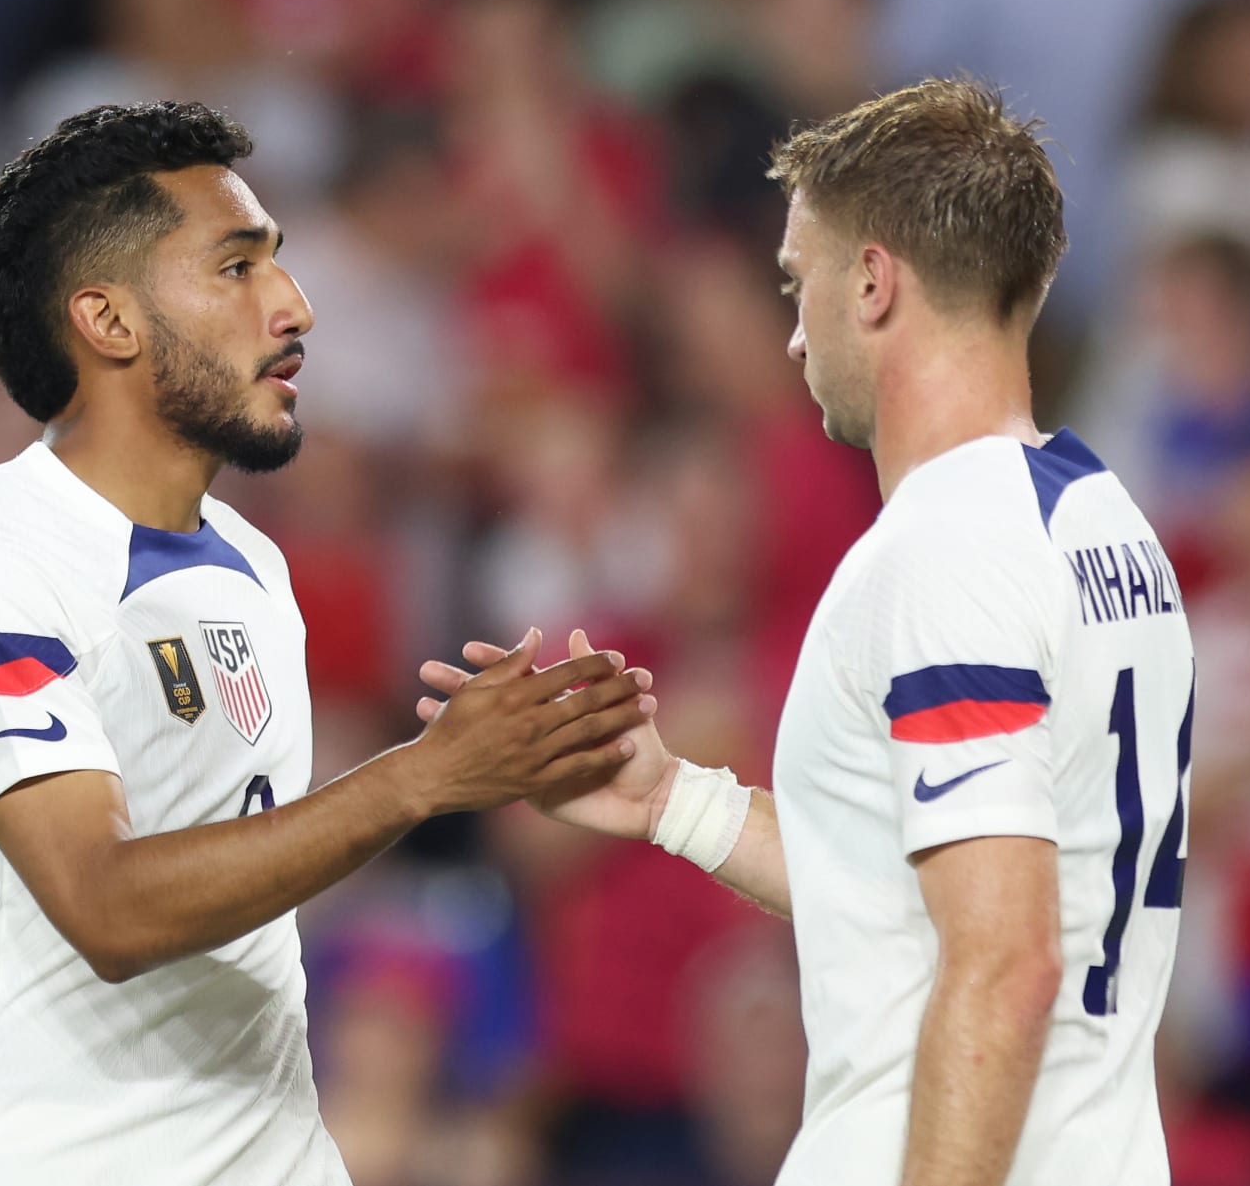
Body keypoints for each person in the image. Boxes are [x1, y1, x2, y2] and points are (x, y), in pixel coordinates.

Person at [419, 78, 1196, 1186]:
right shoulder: (1108, 527)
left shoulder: (945, 550)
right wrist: (669, 798)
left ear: (873, 281)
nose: (792, 336)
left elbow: (1005, 965)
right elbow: (914, 889)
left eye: (799, 282)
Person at [0, 101, 654, 1186]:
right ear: (109, 321)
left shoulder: (254, 567)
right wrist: (421, 777)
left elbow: (253, 889)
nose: (294, 305)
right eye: (237, 268)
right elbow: (105, 904)